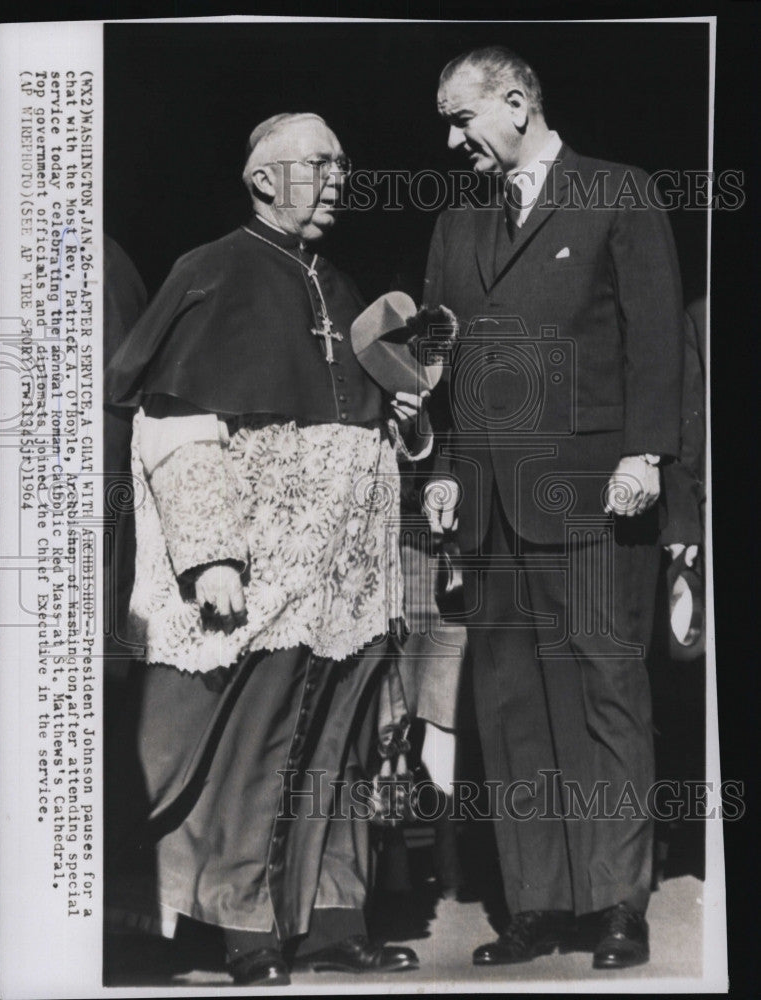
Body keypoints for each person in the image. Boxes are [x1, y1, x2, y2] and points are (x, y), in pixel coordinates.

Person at [104, 112, 430, 986]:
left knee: (338, 748)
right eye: (318, 165)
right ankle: (248, 928)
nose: (337, 180)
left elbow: (368, 417)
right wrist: (211, 555)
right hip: (256, 567)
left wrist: (401, 416)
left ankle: (331, 919)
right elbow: (175, 430)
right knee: (255, 748)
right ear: (261, 179)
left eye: (342, 166)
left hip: (344, 576)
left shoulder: (342, 281)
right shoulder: (210, 271)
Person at [424, 47, 685, 970]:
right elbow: (440, 369)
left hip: (593, 494)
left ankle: (616, 902)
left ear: (517, 99)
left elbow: (657, 337)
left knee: (606, 697)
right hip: (491, 509)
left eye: (462, 118)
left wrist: (646, 453)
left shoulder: (619, 192)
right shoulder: (456, 225)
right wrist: (448, 468)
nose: (452, 139)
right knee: (510, 707)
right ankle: (535, 907)